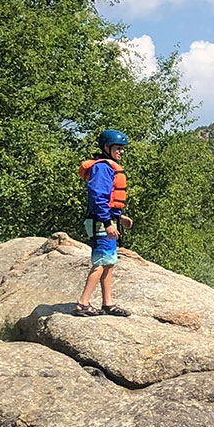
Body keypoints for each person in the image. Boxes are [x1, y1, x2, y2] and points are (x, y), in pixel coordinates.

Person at [72, 129, 134, 317]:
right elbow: (98, 197)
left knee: (109, 263)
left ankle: (108, 304)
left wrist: (119, 217)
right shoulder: (102, 168)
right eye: (118, 148)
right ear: (106, 147)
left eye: (123, 149)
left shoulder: (109, 166)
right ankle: (83, 304)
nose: (121, 152)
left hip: (106, 219)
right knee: (101, 261)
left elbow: (109, 199)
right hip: (100, 221)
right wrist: (108, 223)